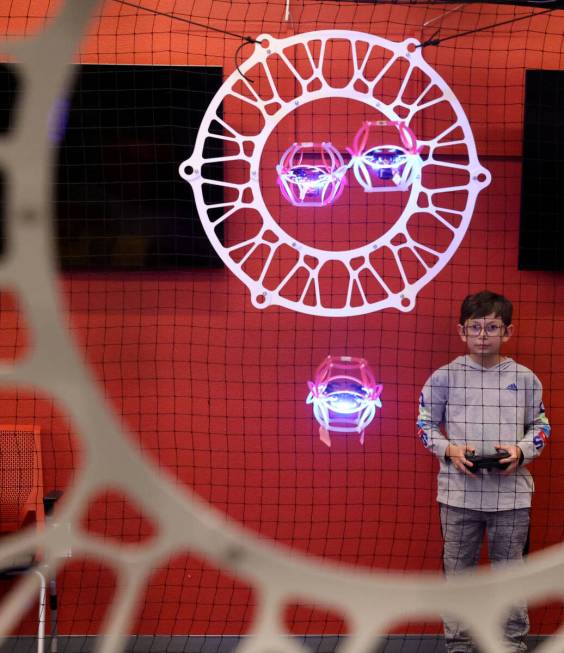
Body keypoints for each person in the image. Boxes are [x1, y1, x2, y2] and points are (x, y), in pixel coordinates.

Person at [417, 290, 551, 653]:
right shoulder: (444, 377)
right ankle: (459, 644)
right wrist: (450, 450)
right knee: (458, 576)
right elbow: (425, 424)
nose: (482, 335)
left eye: (492, 327)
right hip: (457, 495)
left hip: (511, 497)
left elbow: (541, 426)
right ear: (461, 331)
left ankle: (511, 644)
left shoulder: (525, 378)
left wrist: (521, 452)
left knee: (511, 576)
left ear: (507, 332)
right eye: (474, 327)